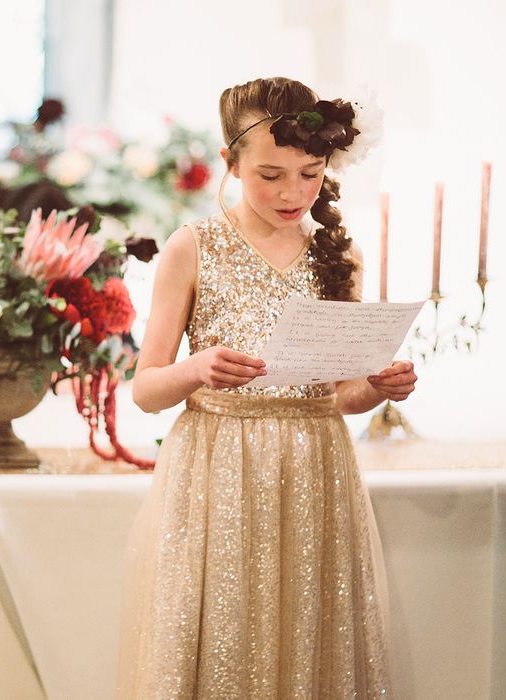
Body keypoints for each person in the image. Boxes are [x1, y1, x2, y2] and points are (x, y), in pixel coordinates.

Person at [115, 77, 417, 699]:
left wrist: (378, 386)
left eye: (309, 174)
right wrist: (197, 370)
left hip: (315, 467)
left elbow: (340, 396)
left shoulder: (337, 254)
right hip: (217, 467)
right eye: (271, 175)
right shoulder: (192, 247)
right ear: (230, 163)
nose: (292, 193)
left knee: (306, 629)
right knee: (224, 631)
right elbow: (145, 389)